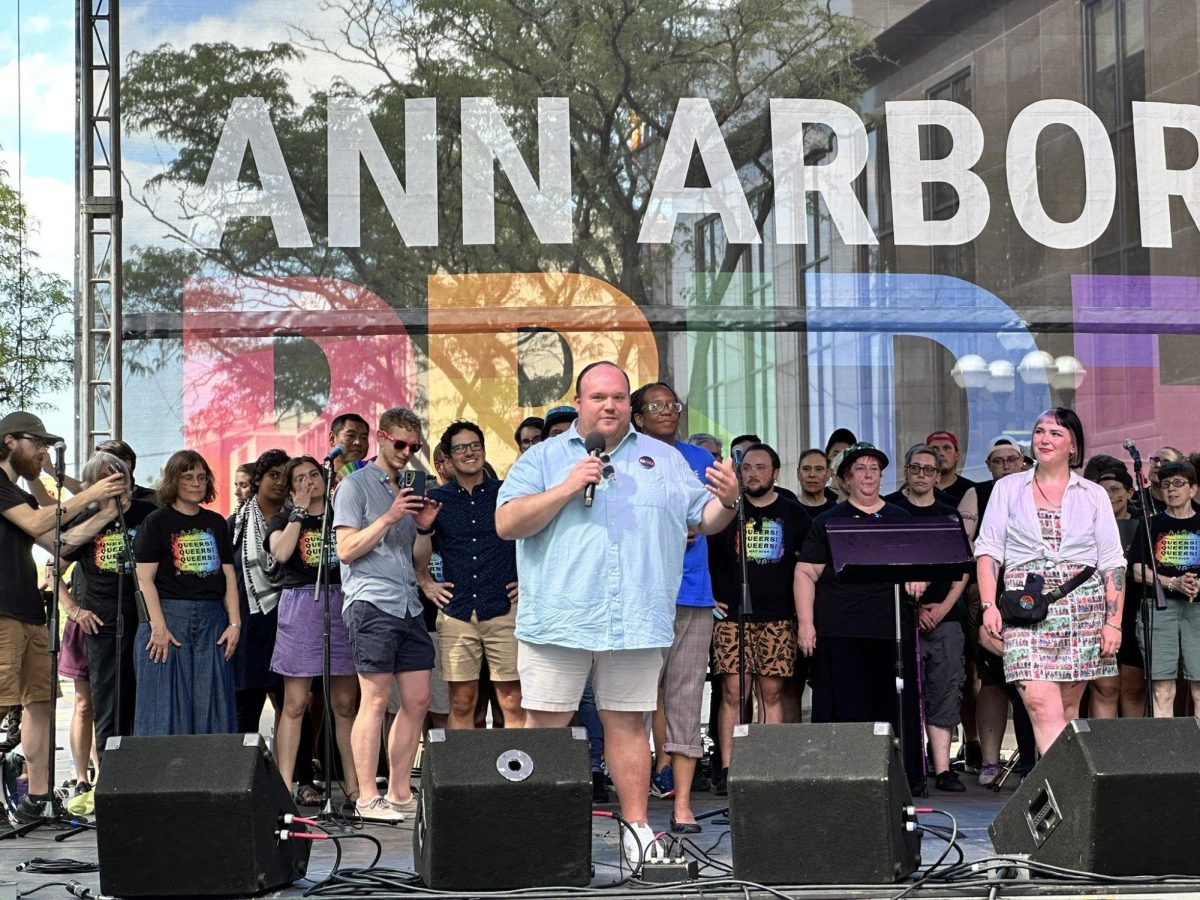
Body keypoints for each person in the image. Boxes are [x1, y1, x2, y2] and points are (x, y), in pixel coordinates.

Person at [496, 361, 739, 868]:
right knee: (546, 727)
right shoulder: (542, 458)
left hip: (635, 619)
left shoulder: (665, 460)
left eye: (619, 397)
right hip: (559, 618)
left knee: (629, 726)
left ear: (630, 405)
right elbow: (507, 523)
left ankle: (637, 827)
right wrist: (567, 487)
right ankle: (541, 829)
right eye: (598, 396)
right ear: (580, 402)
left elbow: (707, 518)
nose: (610, 405)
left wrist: (730, 500)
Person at [0, 412, 126, 826]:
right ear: (9, 442)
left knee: (40, 702)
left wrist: (105, 514)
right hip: (1, 611)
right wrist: (88, 495)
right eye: (36, 442)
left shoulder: (20, 494)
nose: (41, 451)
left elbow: (58, 541)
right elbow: (40, 521)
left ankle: (37, 801)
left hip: (30, 612)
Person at [976, 408, 1126, 754]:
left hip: (1082, 607)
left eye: (1055, 433)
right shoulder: (1008, 488)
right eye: (1040, 431)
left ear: (1073, 446)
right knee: (1042, 705)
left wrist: (1113, 623)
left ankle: (1066, 794)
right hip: (1025, 606)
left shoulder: (1092, 494)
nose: (1044, 438)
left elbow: (1113, 563)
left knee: (1068, 709)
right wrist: (987, 605)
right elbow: (987, 552)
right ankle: (1069, 795)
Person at [333, 407, 441, 823]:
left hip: (408, 602)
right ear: (381, 438)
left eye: (414, 447)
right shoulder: (355, 486)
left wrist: (425, 527)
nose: (406, 452)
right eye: (400, 444)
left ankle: (399, 792)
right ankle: (365, 796)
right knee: (374, 699)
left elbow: (416, 559)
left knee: (417, 699)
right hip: (371, 602)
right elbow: (345, 550)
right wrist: (391, 515)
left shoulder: (407, 488)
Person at [796, 441, 924, 784]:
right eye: (860, 469)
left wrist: (918, 578)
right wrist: (806, 625)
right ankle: (843, 779)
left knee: (893, 708)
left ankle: (897, 779)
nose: (868, 475)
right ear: (846, 479)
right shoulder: (827, 521)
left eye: (874, 469)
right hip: (840, 629)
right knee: (846, 708)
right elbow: (806, 573)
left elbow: (919, 563)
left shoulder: (900, 517)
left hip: (890, 630)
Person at [630, 382, 717, 833]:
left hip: (694, 594)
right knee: (633, 701)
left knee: (685, 699)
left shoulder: (700, 460)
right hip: (643, 595)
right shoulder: (622, 459)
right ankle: (637, 805)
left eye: (673, 405)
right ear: (637, 417)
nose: (667, 411)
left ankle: (683, 803)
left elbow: (716, 517)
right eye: (656, 406)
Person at [709, 443, 809, 791]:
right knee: (734, 691)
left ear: (776, 473)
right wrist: (709, 597)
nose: (753, 473)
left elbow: (807, 567)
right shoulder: (725, 512)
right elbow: (702, 557)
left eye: (761, 467)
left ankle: (767, 766)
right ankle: (727, 769)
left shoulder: (795, 514)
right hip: (731, 617)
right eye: (747, 467)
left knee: (772, 692)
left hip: (778, 616)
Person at [266, 455, 360, 808]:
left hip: (343, 601)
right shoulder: (284, 518)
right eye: (300, 479)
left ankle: (354, 788)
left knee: (345, 703)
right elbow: (281, 552)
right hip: (303, 602)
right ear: (291, 489)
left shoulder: (343, 514)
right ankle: (282, 789)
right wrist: (298, 513)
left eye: (314, 475)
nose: (309, 482)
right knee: (294, 703)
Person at [417, 421, 522, 730]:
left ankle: (521, 777)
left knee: (512, 699)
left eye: (474, 445)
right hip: (457, 611)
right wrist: (426, 582)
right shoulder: (437, 499)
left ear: (483, 450)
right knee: (462, 701)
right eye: (460, 448)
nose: (469, 452)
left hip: (504, 608)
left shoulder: (507, 493)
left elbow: (535, 540)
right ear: (448, 459)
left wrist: (530, 584)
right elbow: (418, 558)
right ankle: (462, 778)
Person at [60, 452, 157, 770]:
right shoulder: (86, 516)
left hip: (143, 619)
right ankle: (106, 776)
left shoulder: (148, 513)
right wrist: (74, 610)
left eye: (120, 477)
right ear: (92, 485)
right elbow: (54, 564)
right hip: (101, 621)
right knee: (105, 702)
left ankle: (140, 774)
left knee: (141, 698)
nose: (116, 483)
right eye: (106, 478)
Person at [133, 450, 241, 735]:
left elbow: (229, 574)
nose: (196, 483)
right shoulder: (156, 522)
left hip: (212, 619)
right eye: (188, 477)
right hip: (169, 617)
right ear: (173, 481)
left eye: (202, 477)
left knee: (214, 704)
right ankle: (162, 778)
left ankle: (211, 776)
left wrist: (234, 624)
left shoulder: (217, 522)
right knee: (164, 707)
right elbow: (144, 578)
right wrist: (157, 626)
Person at [883, 445, 969, 792]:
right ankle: (911, 768)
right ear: (906, 471)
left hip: (945, 617)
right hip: (900, 618)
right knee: (905, 693)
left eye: (928, 470)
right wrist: (913, 608)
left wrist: (943, 607)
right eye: (915, 468)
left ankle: (943, 768)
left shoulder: (949, 515)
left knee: (945, 689)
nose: (921, 475)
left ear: (938, 475)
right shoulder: (890, 512)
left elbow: (963, 569)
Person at [1130, 460, 1200, 718]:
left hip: (1197, 608)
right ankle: (1167, 753)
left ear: (1193, 489)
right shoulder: (1150, 525)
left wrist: (1195, 584)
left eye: (1179, 483)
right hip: (1161, 608)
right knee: (1162, 688)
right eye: (1166, 484)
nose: (1171, 489)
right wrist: (1173, 583)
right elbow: (1137, 571)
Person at [230, 450, 289, 739]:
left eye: (285, 477)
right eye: (273, 475)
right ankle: (243, 779)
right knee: (246, 708)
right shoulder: (234, 525)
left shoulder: (298, 523)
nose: (280, 482)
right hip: (248, 625)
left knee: (292, 706)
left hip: (288, 625)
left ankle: (298, 777)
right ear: (258, 480)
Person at [1094, 466, 1145, 717]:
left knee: (1133, 688)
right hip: (1099, 609)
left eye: (1115, 490)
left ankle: (1133, 752)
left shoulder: (1142, 526)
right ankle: (1102, 752)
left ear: (1130, 492)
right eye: (1102, 491)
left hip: (1135, 609)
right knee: (1105, 687)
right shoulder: (1088, 526)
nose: (1109, 496)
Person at [94, 439, 160, 506]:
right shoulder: (92, 501)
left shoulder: (154, 499)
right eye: (95, 463)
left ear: (127, 464)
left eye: (104, 461)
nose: (97, 468)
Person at [927, 430, 975, 505]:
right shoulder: (915, 489)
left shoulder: (971, 490)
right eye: (935, 449)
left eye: (946, 448)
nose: (940, 453)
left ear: (957, 456)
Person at [796, 448, 837, 516]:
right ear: (798, 473)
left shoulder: (838, 512)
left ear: (828, 474)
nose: (812, 475)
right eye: (806, 469)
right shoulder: (786, 511)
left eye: (818, 469)